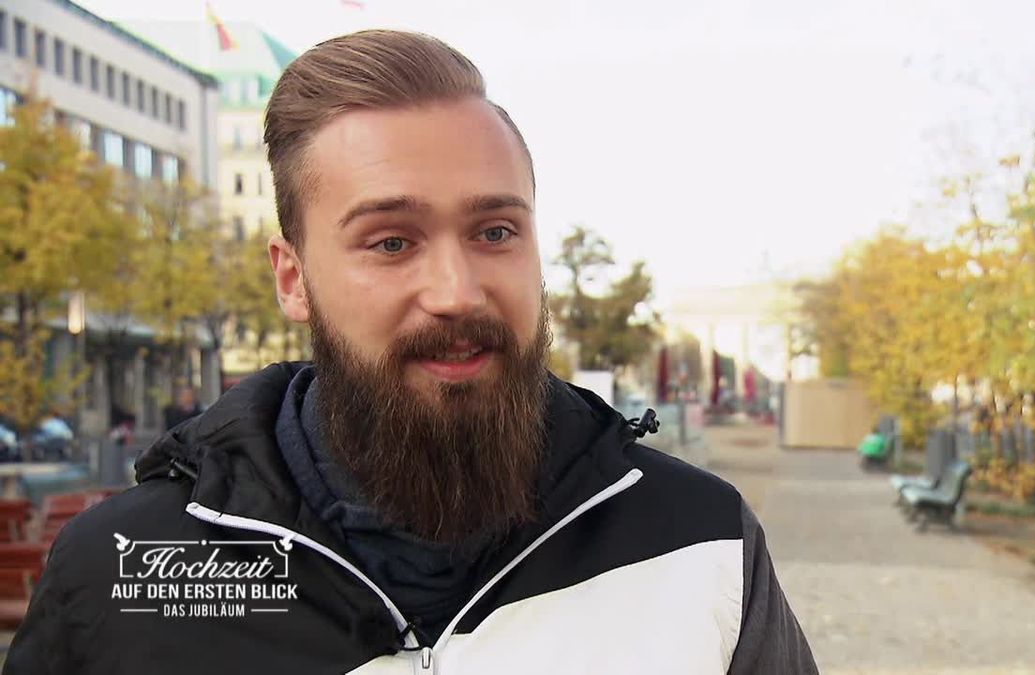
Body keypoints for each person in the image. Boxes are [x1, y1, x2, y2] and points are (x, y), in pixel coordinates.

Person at [4, 31, 818, 675]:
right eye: (391, 241)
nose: (457, 290)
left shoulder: (699, 544)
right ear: (293, 279)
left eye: (495, 231)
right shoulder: (123, 576)